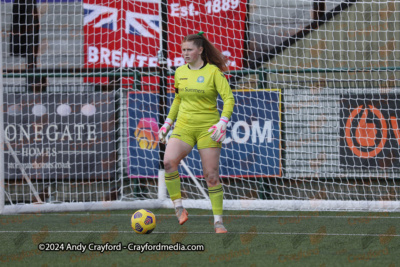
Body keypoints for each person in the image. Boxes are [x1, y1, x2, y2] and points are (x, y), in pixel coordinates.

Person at [158, 32, 235, 234]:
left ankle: (218, 221)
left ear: (200, 50)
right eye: (183, 50)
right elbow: (177, 99)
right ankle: (179, 208)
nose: (185, 53)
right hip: (183, 127)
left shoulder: (213, 72)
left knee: (211, 176)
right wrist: (167, 123)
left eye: (189, 49)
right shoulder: (179, 72)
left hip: (207, 129)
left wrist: (223, 122)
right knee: (168, 162)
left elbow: (229, 99)